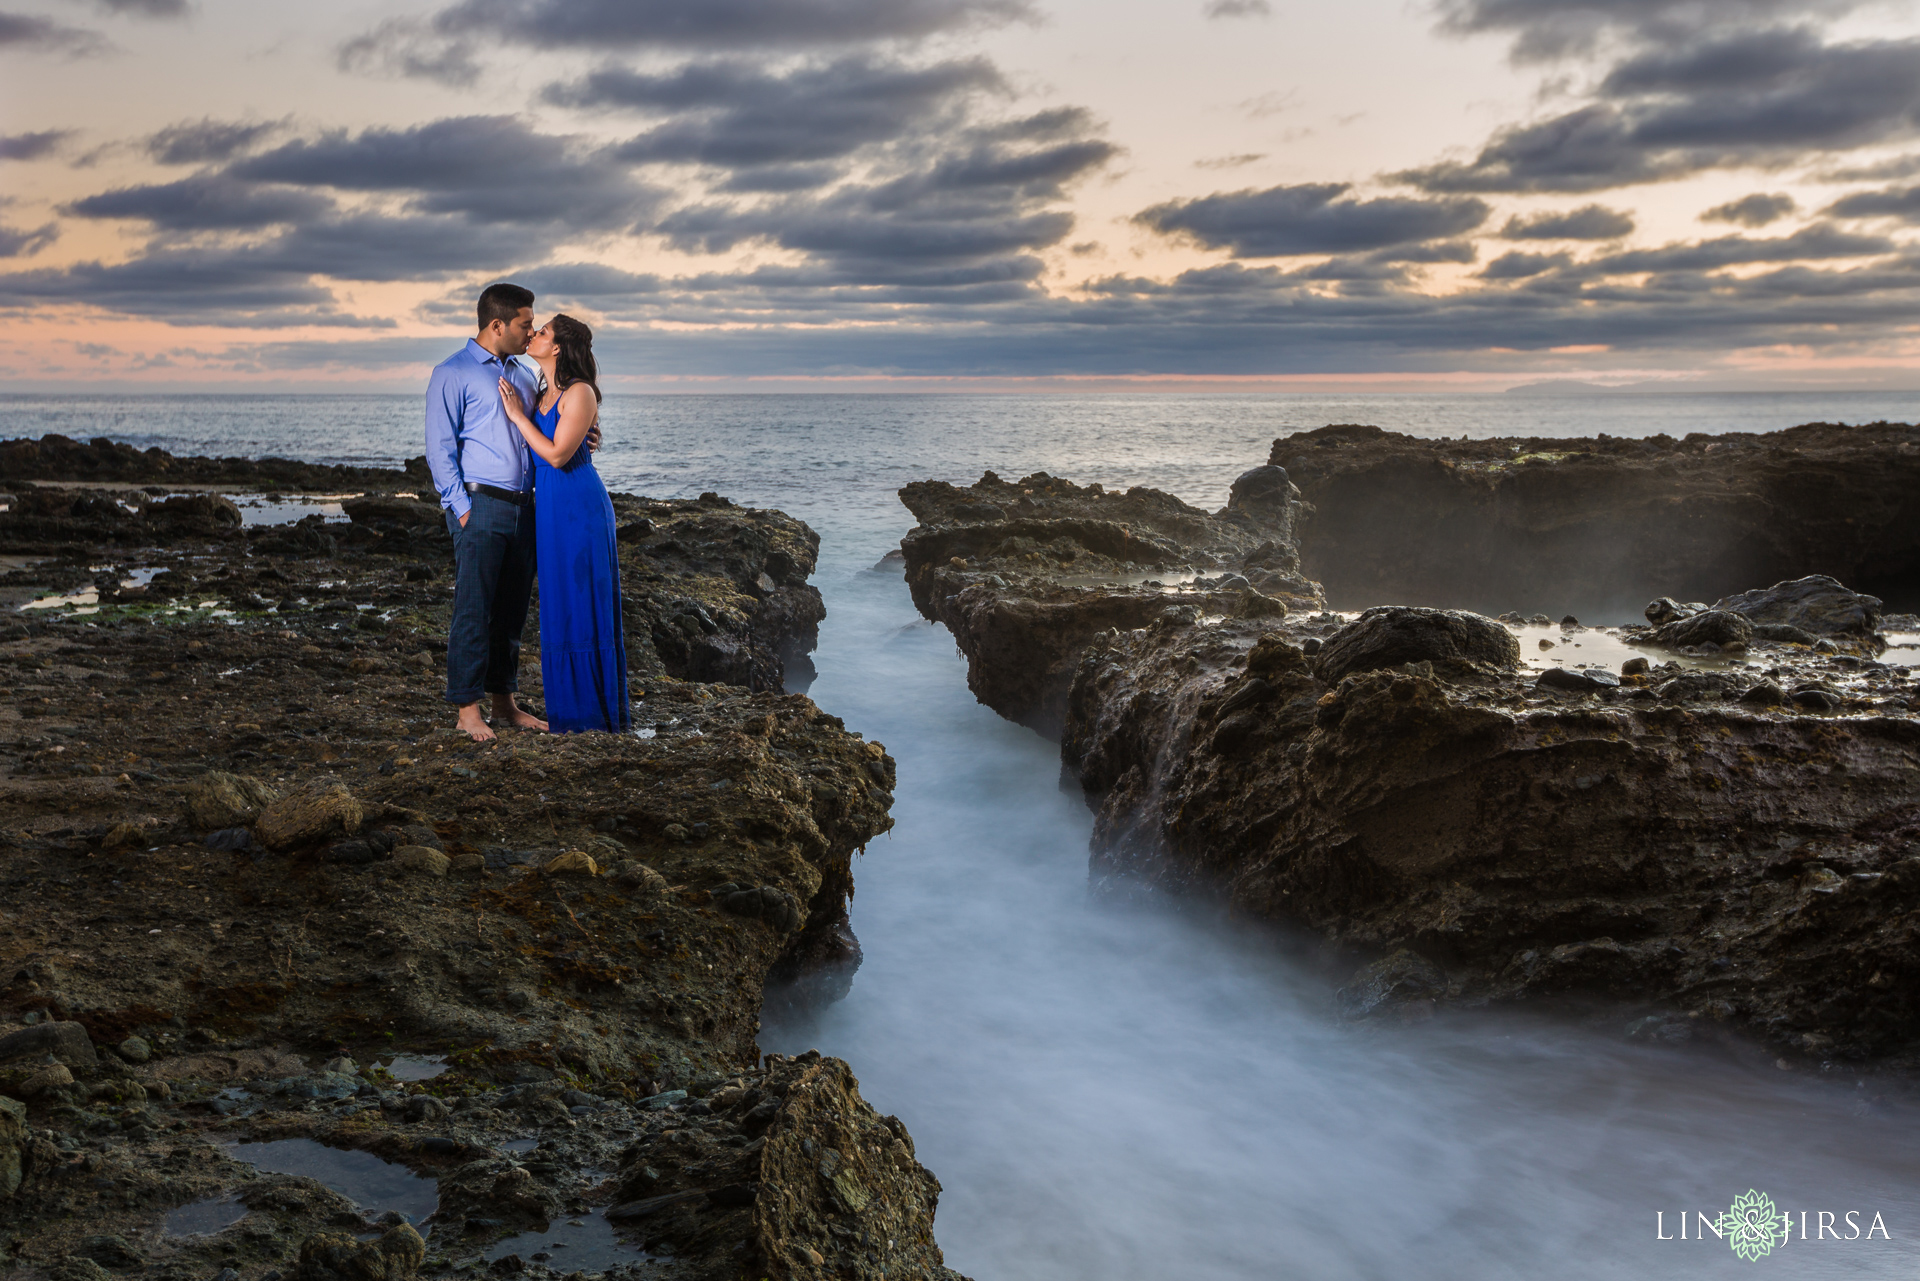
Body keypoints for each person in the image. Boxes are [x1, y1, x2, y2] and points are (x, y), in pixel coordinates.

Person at [424, 282, 548, 742]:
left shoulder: (523, 373)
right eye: (525, 323)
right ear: (497, 325)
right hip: (480, 506)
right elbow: (440, 449)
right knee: (473, 609)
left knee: (512, 611)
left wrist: (587, 433)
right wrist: (461, 511)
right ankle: (466, 709)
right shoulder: (451, 372)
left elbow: (545, 426)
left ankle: (505, 702)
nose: (531, 331)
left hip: (525, 507)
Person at [495, 314, 631, 733]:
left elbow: (555, 455)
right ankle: (569, 716)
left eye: (544, 331)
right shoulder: (542, 392)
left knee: (582, 605)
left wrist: (518, 417)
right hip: (549, 510)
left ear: (556, 348)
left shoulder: (581, 392)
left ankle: (593, 717)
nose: (534, 334)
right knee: (559, 608)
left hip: (579, 507)